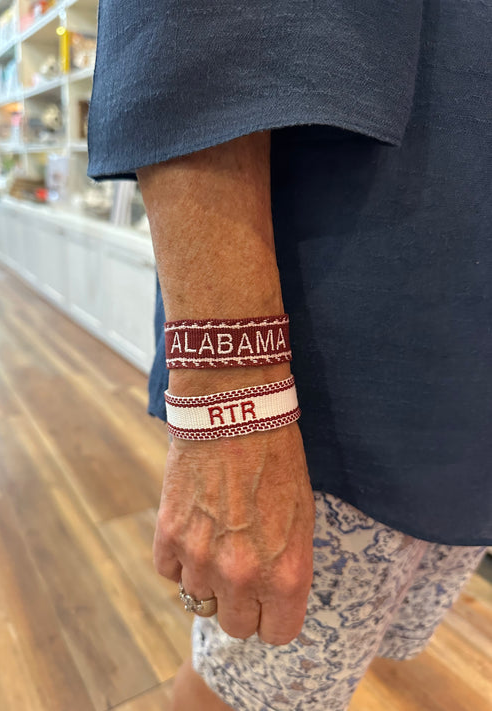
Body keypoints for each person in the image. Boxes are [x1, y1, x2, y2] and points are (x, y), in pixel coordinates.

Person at [87, 2, 491, 709]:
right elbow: (193, 36)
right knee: (252, 688)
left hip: (461, 365)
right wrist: (229, 400)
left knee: (337, 658)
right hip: (352, 366)